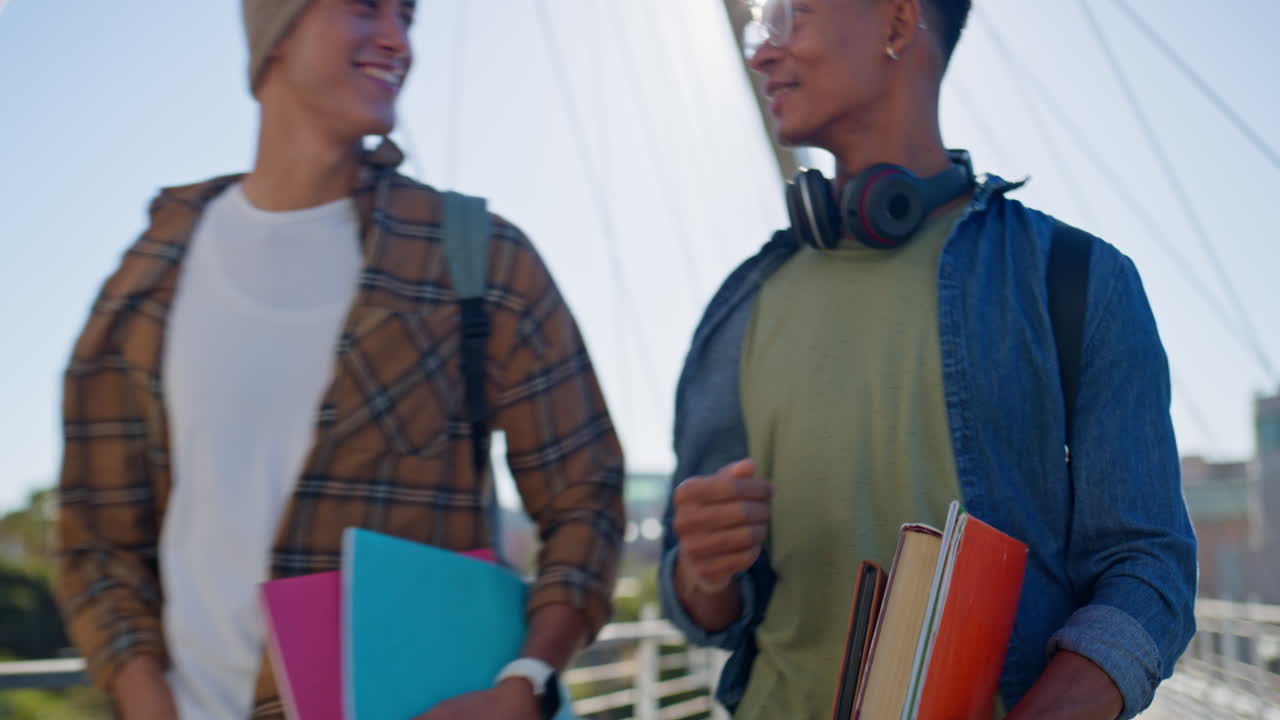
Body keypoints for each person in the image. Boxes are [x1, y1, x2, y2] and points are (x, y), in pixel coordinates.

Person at [53, 1, 624, 718]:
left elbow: (588, 496)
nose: (398, 39)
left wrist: (526, 682)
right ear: (276, 35)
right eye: (365, 8)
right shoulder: (149, 277)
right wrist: (146, 701)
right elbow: (98, 536)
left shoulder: (477, 256)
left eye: (407, 17)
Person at [658, 1, 1196, 718]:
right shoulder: (739, 309)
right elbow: (704, 605)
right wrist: (702, 570)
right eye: (756, 21)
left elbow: (1148, 571)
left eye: (791, 14)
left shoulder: (1080, 281)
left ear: (896, 23)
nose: (761, 50)